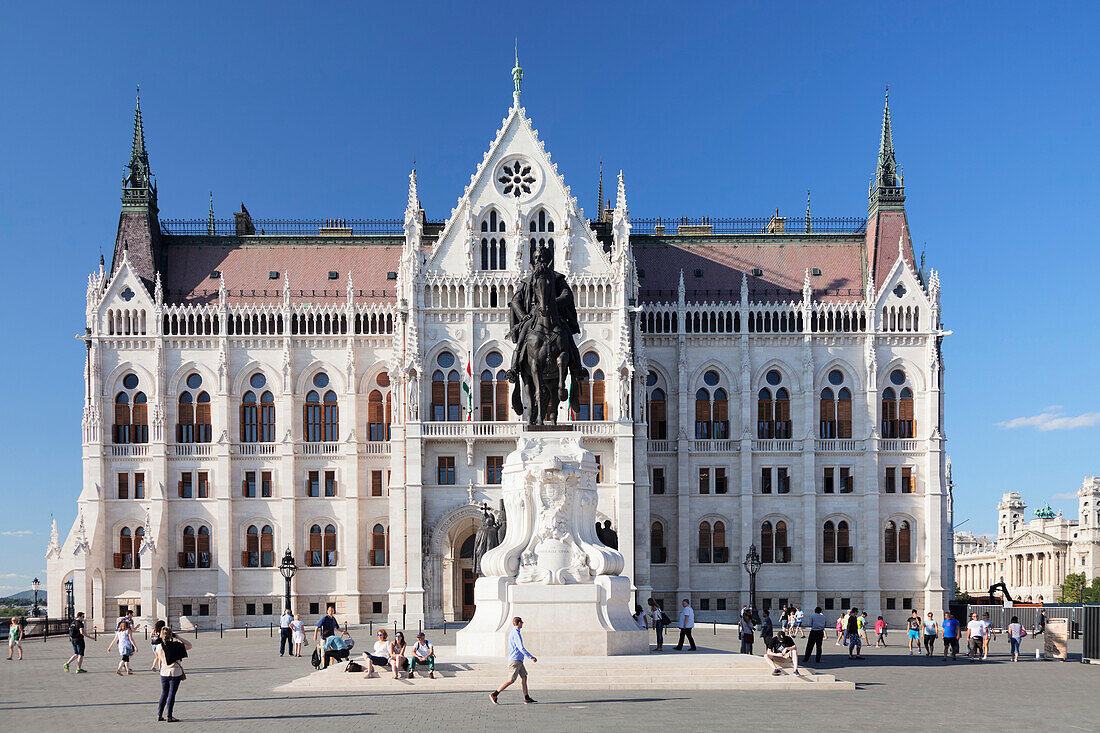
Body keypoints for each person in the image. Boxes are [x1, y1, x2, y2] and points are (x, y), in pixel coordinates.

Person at [489, 617, 537, 705]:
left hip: (518, 660)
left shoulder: (514, 632)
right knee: (511, 680)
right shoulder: (515, 633)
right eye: (521, 622)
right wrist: (531, 657)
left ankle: (527, 698)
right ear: (518, 623)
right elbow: (521, 647)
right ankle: (494, 694)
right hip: (515, 660)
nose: (523, 623)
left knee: (524, 677)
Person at [154, 627, 191, 722]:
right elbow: (189, 645)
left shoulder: (159, 647)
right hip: (175, 672)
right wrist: (178, 637)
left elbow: (159, 658)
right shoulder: (177, 645)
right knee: (171, 694)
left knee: (164, 693)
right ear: (171, 635)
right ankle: (169, 716)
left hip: (164, 672)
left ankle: (159, 714)